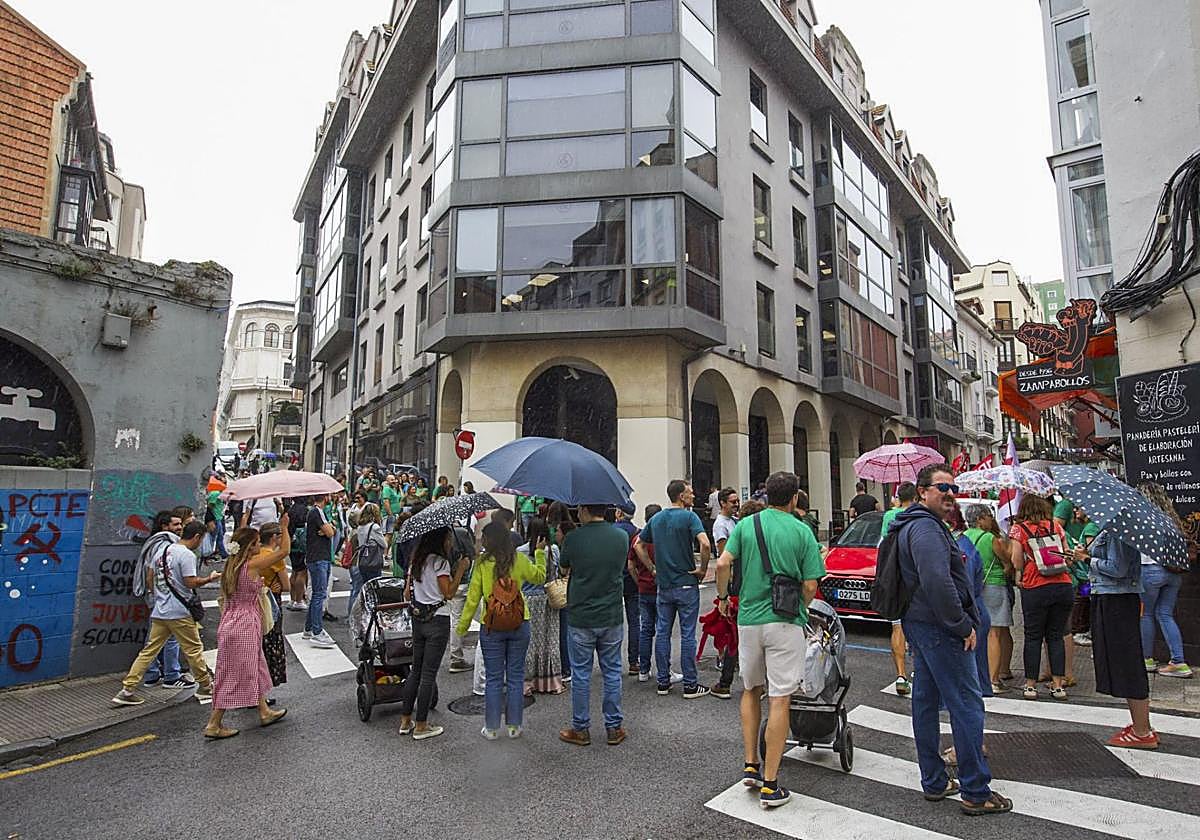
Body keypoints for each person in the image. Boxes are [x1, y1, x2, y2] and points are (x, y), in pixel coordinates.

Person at [894, 464, 1010, 816]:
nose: (948, 493)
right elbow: (937, 581)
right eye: (940, 487)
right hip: (941, 629)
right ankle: (976, 789)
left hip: (922, 625)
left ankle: (934, 779)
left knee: (926, 702)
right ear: (922, 492)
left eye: (951, 487)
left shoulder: (913, 525)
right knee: (966, 705)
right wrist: (962, 625)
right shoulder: (927, 530)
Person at [714, 471, 824, 810]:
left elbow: (723, 562)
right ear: (794, 498)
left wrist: (722, 598)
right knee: (780, 698)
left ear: (766, 496)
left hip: (749, 619)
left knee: (751, 690)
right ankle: (771, 784)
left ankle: (750, 764)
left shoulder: (747, 525)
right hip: (785, 621)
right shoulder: (801, 531)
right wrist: (800, 610)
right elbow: (809, 585)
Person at [112, 521, 218, 706]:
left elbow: (150, 578)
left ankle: (127, 689)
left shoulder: (161, 551)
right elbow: (190, 582)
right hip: (179, 612)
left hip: (160, 610)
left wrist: (160, 596)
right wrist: (209, 578)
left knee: (149, 651)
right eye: (201, 540)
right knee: (193, 649)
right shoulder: (186, 555)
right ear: (197, 537)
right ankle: (206, 686)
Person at [458, 522, 546, 738]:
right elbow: (539, 577)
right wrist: (540, 554)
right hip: (519, 623)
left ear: (490, 540)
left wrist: (462, 627)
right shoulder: (520, 559)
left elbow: (472, 598)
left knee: (494, 678)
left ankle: (492, 728)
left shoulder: (481, 564)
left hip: (492, 626)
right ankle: (514, 726)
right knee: (516, 677)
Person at [202, 523, 290, 738]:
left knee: (255, 667)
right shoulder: (251, 565)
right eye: (257, 542)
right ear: (249, 547)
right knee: (235, 673)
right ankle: (214, 723)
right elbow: (284, 551)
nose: (260, 544)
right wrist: (285, 526)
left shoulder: (232, 565)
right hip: (245, 624)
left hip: (231, 621)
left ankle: (264, 711)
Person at [1078, 517, 1157, 747]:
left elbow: (1117, 568)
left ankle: (1142, 731)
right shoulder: (1114, 528)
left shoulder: (1119, 531)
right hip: (1113, 597)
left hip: (1116, 599)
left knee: (1127, 662)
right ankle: (1142, 725)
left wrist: (1087, 558)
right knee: (1125, 660)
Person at [559, 504, 630, 747]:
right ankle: (614, 727)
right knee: (612, 671)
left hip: (581, 614)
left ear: (585, 509)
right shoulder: (621, 536)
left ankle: (581, 728)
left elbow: (564, 567)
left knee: (581, 673)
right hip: (611, 613)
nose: (577, 512)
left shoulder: (573, 538)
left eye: (579, 509)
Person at [634, 479, 712, 699]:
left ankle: (663, 681)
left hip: (664, 584)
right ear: (681, 496)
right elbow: (705, 544)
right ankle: (690, 684)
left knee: (663, 632)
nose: (693, 496)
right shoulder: (690, 517)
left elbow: (638, 544)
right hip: (686, 582)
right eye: (690, 492)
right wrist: (702, 569)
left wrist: (652, 567)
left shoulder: (657, 518)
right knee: (687, 634)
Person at [398, 527, 469, 740]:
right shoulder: (440, 563)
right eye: (448, 538)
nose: (450, 543)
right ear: (440, 540)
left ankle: (405, 720)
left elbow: (406, 592)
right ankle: (421, 725)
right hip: (437, 620)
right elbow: (449, 593)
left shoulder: (416, 562)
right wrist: (460, 570)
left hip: (418, 618)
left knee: (416, 671)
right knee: (429, 674)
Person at [1008, 494, 1073, 700]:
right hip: (1062, 585)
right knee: (1056, 635)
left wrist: (1020, 571)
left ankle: (1030, 685)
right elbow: (1068, 555)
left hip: (1035, 586)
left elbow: (1016, 560)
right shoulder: (1056, 526)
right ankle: (1058, 685)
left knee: (1033, 635)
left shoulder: (1019, 529)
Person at [1137, 482, 1193, 677]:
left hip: (1150, 571)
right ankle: (1179, 661)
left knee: (1146, 615)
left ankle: (1147, 659)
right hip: (1173, 573)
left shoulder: (1143, 519)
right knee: (1166, 615)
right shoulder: (1172, 519)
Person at [964, 504, 1013, 693]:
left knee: (976, 631)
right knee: (994, 632)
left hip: (972, 588)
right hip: (993, 585)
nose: (991, 519)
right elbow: (1006, 562)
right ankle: (993, 679)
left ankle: (976, 675)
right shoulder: (990, 538)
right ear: (980, 519)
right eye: (988, 516)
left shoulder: (963, 537)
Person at [136, 511, 188, 689]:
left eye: (180, 523)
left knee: (155, 639)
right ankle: (171, 675)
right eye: (176, 524)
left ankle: (153, 675)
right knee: (169, 638)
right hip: (163, 599)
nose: (180, 527)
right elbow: (151, 574)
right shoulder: (164, 545)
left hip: (157, 598)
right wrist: (157, 595)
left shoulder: (156, 542)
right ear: (164, 526)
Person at [880, 482, 918, 696]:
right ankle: (920, 672)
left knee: (897, 627)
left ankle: (901, 675)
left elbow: (884, 542)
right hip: (915, 578)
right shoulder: (920, 516)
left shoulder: (889, 516)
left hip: (895, 576)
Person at [519, 518, 564, 695]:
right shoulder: (552, 550)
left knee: (528, 643)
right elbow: (559, 571)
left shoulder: (520, 552)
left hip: (528, 600)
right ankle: (550, 682)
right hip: (548, 599)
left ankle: (527, 683)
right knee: (549, 641)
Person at [710, 488, 740, 699]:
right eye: (732, 501)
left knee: (736, 632)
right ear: (722, 503)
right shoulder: (721, 524)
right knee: (730, 630)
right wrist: (726, 591)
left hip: (739, 579)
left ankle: (726, 677)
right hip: (733, 582)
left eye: (737, 501)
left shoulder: (735, 522)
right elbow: (723, 556)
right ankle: (725, 670)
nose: (736, 504)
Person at [629, 505, 663, 684]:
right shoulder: (662, 537)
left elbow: (630, 565)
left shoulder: (638, 538)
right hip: (660, 589)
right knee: (662, 631)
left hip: (643, 588)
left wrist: (638, 581)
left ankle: (643, 669)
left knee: (646, 629)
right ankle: (664, 669)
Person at [256, 521, 290, 690]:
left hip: (254, 600)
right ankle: (265, 683)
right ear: (274, 537)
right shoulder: (275, 559)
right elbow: (286, 586)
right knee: (271, 639)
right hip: (271, 600)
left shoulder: (253, 555)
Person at [304, 493, 338, 648]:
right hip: (319, 557)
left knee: (317, 594)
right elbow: (331, 532)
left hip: (317, 557)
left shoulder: (316, 512)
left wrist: (329, 529)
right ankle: (317, 632)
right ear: (325, 498)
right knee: (319, 594)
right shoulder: (317, 511)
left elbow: (331, 530)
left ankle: (309, 628)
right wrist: (329, 529)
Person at [612, 506, 641, 676]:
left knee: (614, 623)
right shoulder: (638, 532)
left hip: (614, 580)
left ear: (619, 513)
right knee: (634, 622)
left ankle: (611, 659)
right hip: (632, 580)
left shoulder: (611, 531)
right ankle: (633, 661)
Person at [349, 502, 388, 611]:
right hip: (374, 562)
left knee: (365, 589)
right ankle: (373, 614)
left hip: (363, 561)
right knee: (374, 589)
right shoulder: (374, 527)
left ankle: (364, 613)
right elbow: (384, 544)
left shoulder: (361, 527)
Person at [285, 497, 309, 613]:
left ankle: (292, 599)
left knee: (294, 571)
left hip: (292, 542)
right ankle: (299, 600)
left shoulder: (291, 510)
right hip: (302, 544)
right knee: (301, 572)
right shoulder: (305, 510)